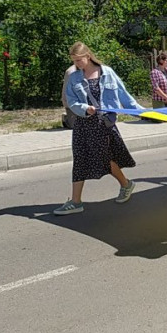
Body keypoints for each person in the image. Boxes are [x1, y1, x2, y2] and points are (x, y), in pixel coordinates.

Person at [54, 42, 144, 216]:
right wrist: (84, 108)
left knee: (104, 159)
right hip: (83, 124)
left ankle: (126, 184)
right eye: (74, 61)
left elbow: (124, 95)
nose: (77, 64)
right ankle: (76, 201)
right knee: (80, 159)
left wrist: (142, 112)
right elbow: (71, 101)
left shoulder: (107, 72)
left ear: (88, 56)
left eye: (79, 60)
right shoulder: (74, 77)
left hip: (102, 125)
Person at [61, 63, 78, 129]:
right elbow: (67, 91)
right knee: (74, 126)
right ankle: (66, 117)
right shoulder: (71, 71)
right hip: (71, 102)